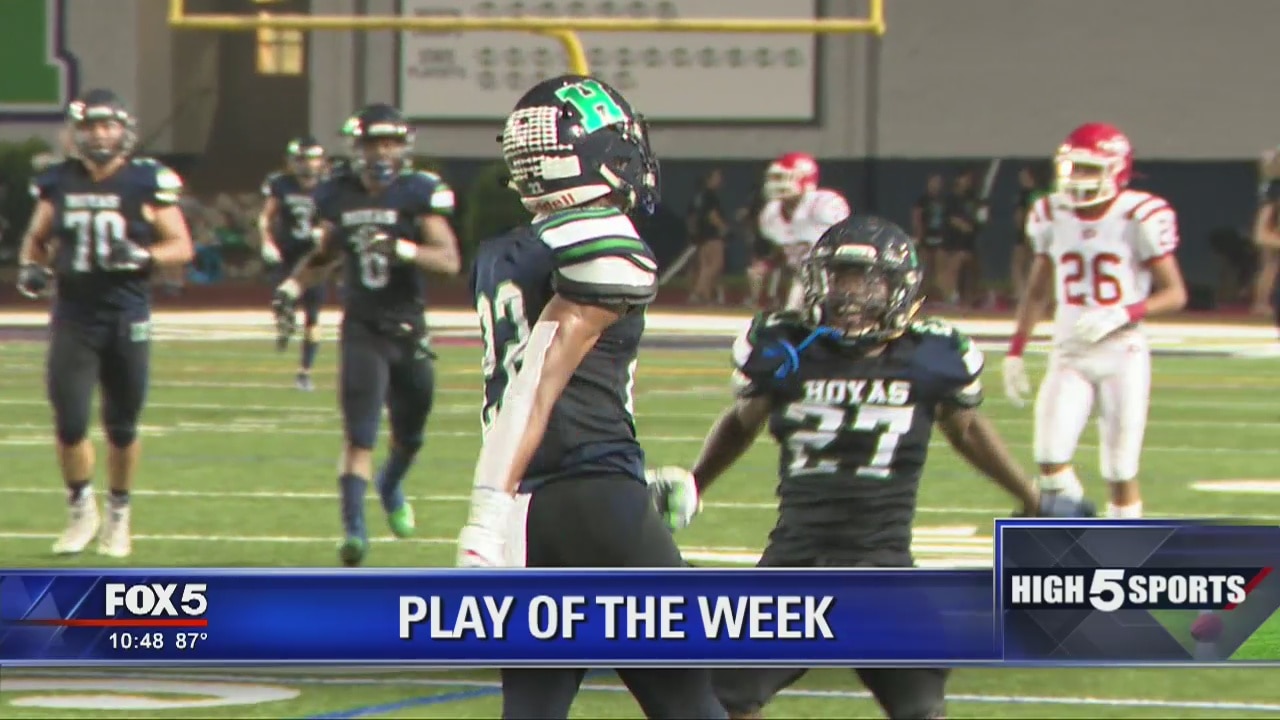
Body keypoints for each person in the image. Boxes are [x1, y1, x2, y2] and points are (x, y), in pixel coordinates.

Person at [671, 214, 1095, 720]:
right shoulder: (787, 347)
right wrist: (695, 482)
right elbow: (742, 422)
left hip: (881, 563)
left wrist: (1031, 496)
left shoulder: (929, 356)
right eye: (840, 279)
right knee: (724, 697)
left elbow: (967, 430)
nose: (850, 296)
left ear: (899, 288)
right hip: (797, 560)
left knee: (920, 707)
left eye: (866, 282)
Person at [456, 74, 724, 720]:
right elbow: (536, 383)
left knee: (532, 711)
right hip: (589, 497)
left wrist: (503, 509)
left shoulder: (507, 252)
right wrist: (484, 512)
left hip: (532, 510)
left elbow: (556, 391)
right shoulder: (602, 240)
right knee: (691, 704)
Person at [273, 103, 461, 565]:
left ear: (403, 146)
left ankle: (390, 483)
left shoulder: (418, 192)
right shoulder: (339, 194)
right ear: (357, 148)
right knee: (359, 435)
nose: (381, 152)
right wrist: (292, 286)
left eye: (390, 143)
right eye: (374, 143)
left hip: (408, 329)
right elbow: (324, 256)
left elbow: (448, 260)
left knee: (410, 437)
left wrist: (403, 248)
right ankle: (354, 531)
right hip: (361, 328)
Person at [16, 89, 195, 558]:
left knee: (122, 425)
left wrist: (143, 255)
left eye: (107, 125)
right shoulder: (59, 181)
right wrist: (32, 267)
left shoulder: (145, 181)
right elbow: (36, 238)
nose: (99, 135)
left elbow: (181, 245)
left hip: (125, 315)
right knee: (70, 421)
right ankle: (81, 511)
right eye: (91, 126)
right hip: (74, 315)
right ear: (77, 132)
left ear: (123, 130)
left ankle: (118, 514)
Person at [1002, 122, 1188, 519]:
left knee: (1120, 470)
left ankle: (1121, 550)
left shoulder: (1138, 215)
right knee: (1049, 459)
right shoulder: (1050, 212)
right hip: (1069, 352)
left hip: (1122, 353)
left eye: (1089, 168)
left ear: (1116, 170)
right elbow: (1037, 291)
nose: (1077, 177)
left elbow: (1175, 293)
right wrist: (1016, 349)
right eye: (1073, 167)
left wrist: (1124, 312)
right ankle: (1077, 527)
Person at [258, 136, 328, 390]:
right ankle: (285, 324)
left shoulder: (329, 185)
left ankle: (305, 371)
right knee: (281, 299)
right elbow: (265, 217)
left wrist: (325, 233)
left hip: (314, 257)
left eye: (311, 159)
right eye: (301, 159)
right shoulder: (281, 183)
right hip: (287, 252)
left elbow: (337, 216)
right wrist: (267, 242)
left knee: (313, 316)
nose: (306, 165)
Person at [749, 153, 850, 311]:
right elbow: (787, 250)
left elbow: (846, 240)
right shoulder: (771, 214)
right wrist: (769, 264)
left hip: (835, 276)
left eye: (783, 177)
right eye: (775, 178)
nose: (777, 184)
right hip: (803, 278)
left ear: (805, 178)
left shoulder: (822, 206)